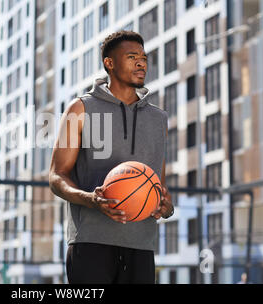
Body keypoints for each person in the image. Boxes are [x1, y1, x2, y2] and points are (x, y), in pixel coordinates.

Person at [49, 31, 174, 284]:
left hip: (141, 246)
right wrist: (90, 199)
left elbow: (156, 183)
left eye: (143, 58)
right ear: (109, 63)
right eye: (132, 57)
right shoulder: (80, 108)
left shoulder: (159, 119)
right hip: (91, 244)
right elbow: (56, 176)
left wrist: (166, 206)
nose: (141, 63)